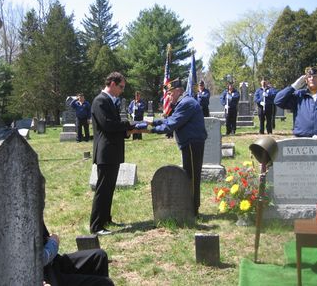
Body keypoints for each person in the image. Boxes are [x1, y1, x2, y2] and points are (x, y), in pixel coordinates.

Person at [149, 78, 207, 215]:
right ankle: (191, 207)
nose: (168, 97)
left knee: (191, 177)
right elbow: (170, 119)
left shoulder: (186, 103)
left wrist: (149, 130)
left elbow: (171, 124)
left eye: (170, 94)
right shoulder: (183, 102)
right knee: (189, 175)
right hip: (190, 144)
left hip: (192, 145)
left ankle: (192, 210)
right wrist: (152, 122)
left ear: (178, 91)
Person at [90, 72, 139, 235]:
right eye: (121, 86)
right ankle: (96, 226)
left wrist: (126, 132)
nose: (122, 90)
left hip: (112, 150)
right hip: (105, 152)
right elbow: (107, 125)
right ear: (111, 83)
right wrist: (127, 125)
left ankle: (105, 219)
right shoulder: (100, 101)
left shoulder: (111, 101)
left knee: (109, 188)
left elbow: (114, 128)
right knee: (102, 189)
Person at [43, 223, 114, 286]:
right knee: (105, 283)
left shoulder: (35, 214)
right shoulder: (31, 217)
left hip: (53, 264)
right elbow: (41, 258)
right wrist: (53, 242)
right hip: (44, 276)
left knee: (99, 256)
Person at [274, 66, 317, 137]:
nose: (312, 78)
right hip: (301, 139)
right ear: (305, 80)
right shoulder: (299, 95)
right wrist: (293, 87)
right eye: (309, 76)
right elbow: (278, 101)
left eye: (315, 76)